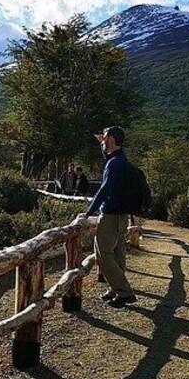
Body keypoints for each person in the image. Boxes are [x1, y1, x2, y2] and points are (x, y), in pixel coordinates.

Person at [76, 126, 136, 308]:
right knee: (117, 253)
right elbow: (109, 156)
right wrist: (105, 144)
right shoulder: (120, 159)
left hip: (110, 215)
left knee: (102, 254)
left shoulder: (114, 163)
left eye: (106, 138)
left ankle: (124, 292)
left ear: (111, 139)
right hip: (121, 215)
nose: (103, 140)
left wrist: (88, 212)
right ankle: (115, 289)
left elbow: (105, 190)